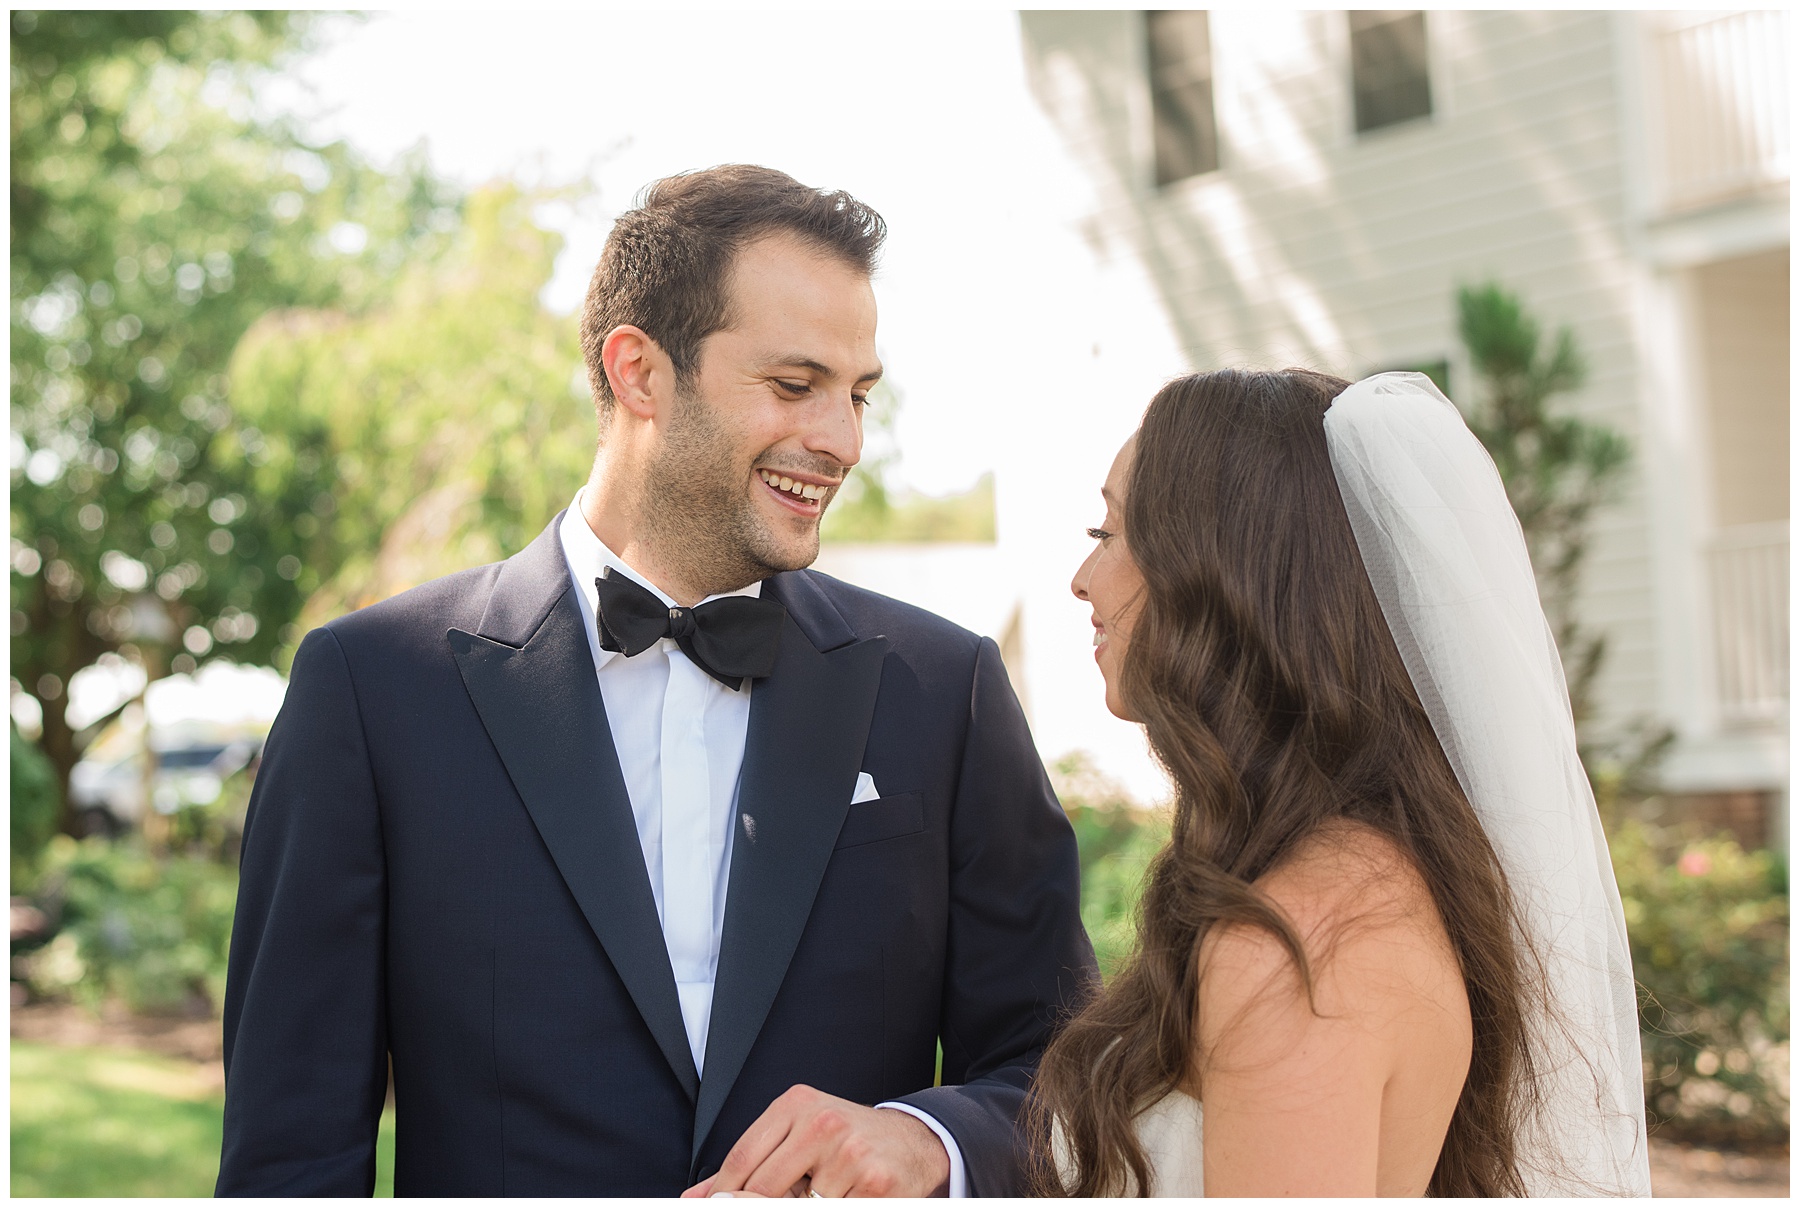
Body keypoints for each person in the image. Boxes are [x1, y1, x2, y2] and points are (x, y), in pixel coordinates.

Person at [215, 165, 1094, 1197]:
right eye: (794, 384)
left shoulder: (949, 690)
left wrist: (929, 1139)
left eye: (857, 395)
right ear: (638, 371)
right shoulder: (371, 691)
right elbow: (292, 1153)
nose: (843, 441)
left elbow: (1067, 1073)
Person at [1037, 369, 1649, 1196]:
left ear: (1218, 572)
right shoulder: (1373, 879)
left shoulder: (1298, 944)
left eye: (1108, 532)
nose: (1083, 578)